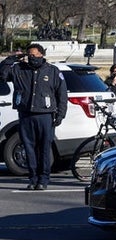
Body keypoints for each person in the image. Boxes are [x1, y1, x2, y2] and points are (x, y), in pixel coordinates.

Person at [0, 44, 67, 190]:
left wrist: (61, 114)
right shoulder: (19, 69)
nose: (32, 58)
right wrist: (12, 58)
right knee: (29, 148)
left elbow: (62, 94)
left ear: (42, 55)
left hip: (45, 115)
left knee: (44, 148)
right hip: (26, 114)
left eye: (34, 55)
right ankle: (33, 178)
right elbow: (2, 74)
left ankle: (43, 179)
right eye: (29, 55)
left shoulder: (53, 71)